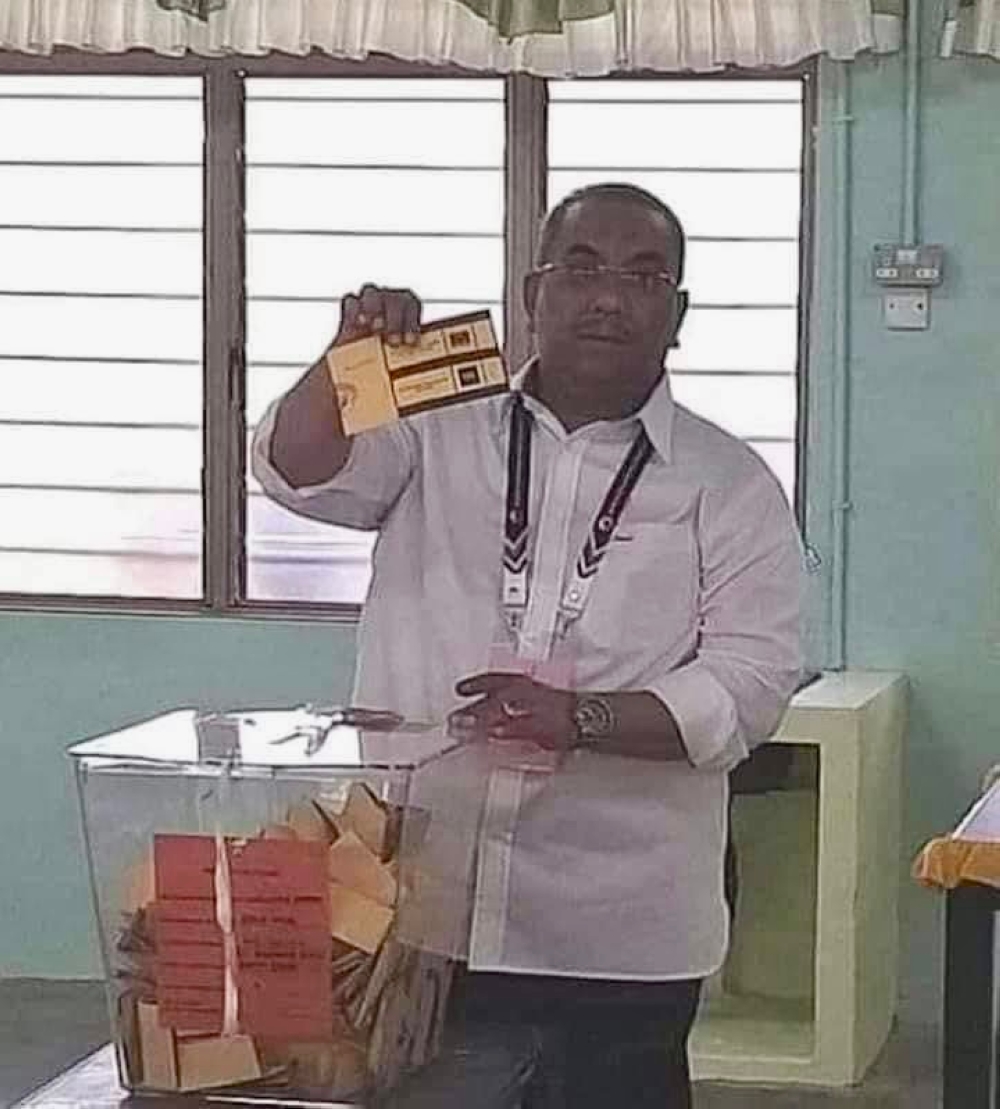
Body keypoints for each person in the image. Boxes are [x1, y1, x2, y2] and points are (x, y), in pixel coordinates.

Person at [252, 182, 804, 1108]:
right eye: (581, 268)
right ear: (530, 292)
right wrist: (345, 363)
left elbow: (752, 677)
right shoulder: (434, 421)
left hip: (621, 934)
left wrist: (580, 717)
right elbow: (297, 473)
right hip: (428, 909)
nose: (608, 296)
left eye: (644, 275)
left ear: (678, 314)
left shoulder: (730, 481)